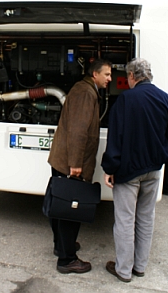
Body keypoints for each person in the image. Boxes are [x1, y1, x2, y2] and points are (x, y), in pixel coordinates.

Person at [101, 58, 168, 283]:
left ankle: (124, 270)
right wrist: (161, 155)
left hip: (128, 171)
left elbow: (116, 138)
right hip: (154, 170)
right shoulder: (165, 99)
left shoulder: (125, 99)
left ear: (132, 77)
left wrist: (110, 168)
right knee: (146, 218)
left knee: (125, 219)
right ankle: (140, 267)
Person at [48, 58, 112, 274]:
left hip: (61, 159)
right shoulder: (86, 93)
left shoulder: (83, 88)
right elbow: (78, 130)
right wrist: (75, 164)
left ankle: (61, 246)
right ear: (95, 74)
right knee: (70, 210)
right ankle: (67, 260)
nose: (110, 79)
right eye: (107, 74)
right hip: (71, 164)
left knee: (60, 204)